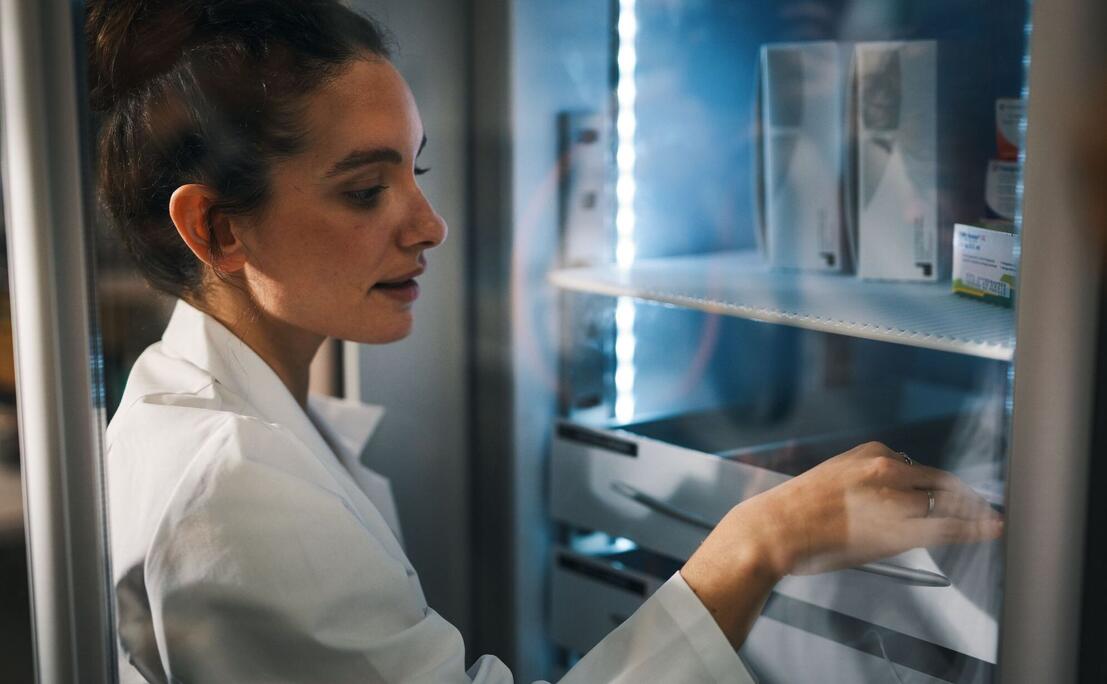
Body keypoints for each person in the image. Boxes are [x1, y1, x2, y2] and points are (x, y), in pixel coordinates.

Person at [88, 1, 1003, 682]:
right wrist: (755, 542)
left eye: (419, 170)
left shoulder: (199, 404)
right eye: (366, 190)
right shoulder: (237, 490)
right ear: (215, 230)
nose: (430, 224)